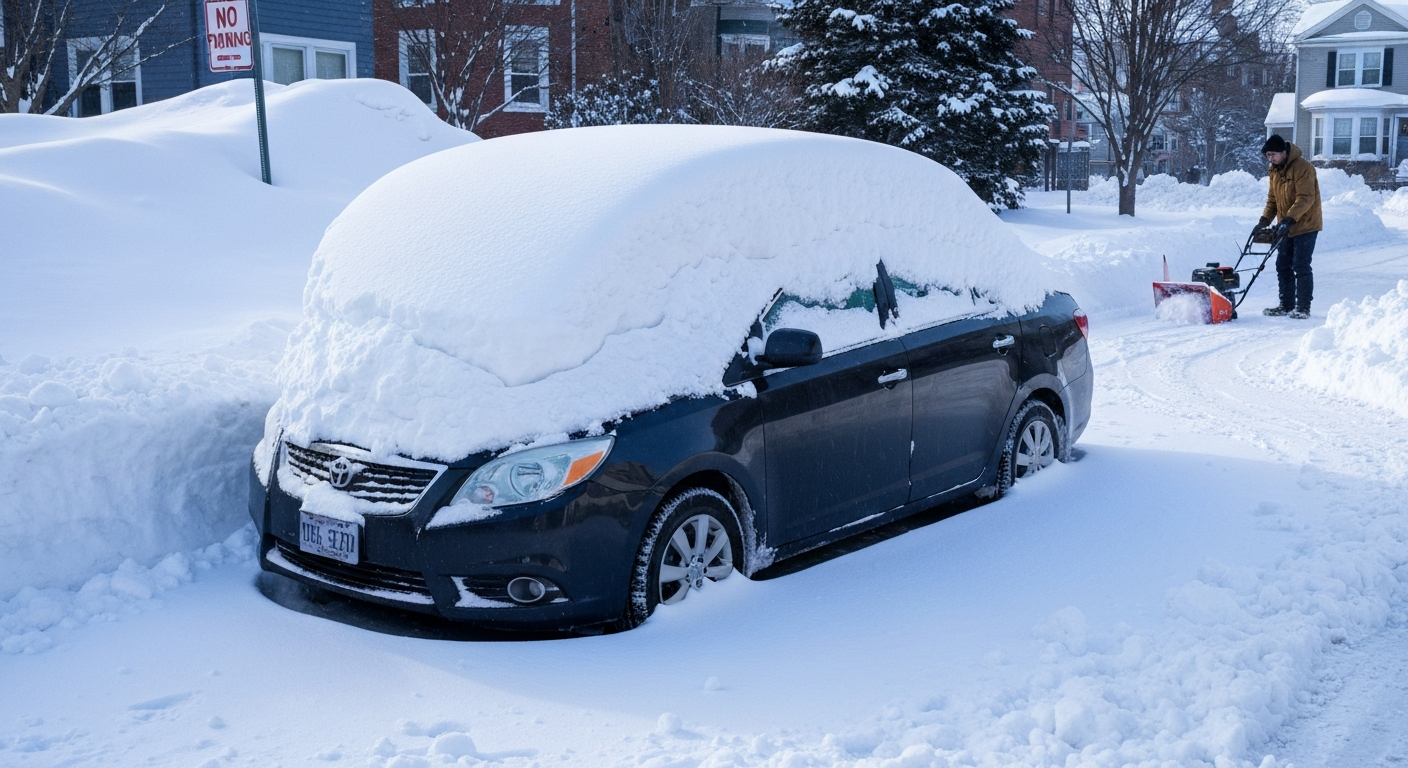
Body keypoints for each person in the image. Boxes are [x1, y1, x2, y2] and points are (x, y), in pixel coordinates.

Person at [1255, 134, 1322, 319]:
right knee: (1282, 265)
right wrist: (1263, 221)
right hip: (1286, 225)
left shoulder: (1303, 168)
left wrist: (1289, 219)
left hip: (1306, 225)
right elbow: (1273, 200)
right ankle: (1286, 305)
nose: (1270, 158)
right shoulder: (1274, 171)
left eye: (1273, 154)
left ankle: (1303, 307)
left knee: (1300, 265)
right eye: (1267, 155)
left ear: (1284, 152)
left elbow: (1306, 198)